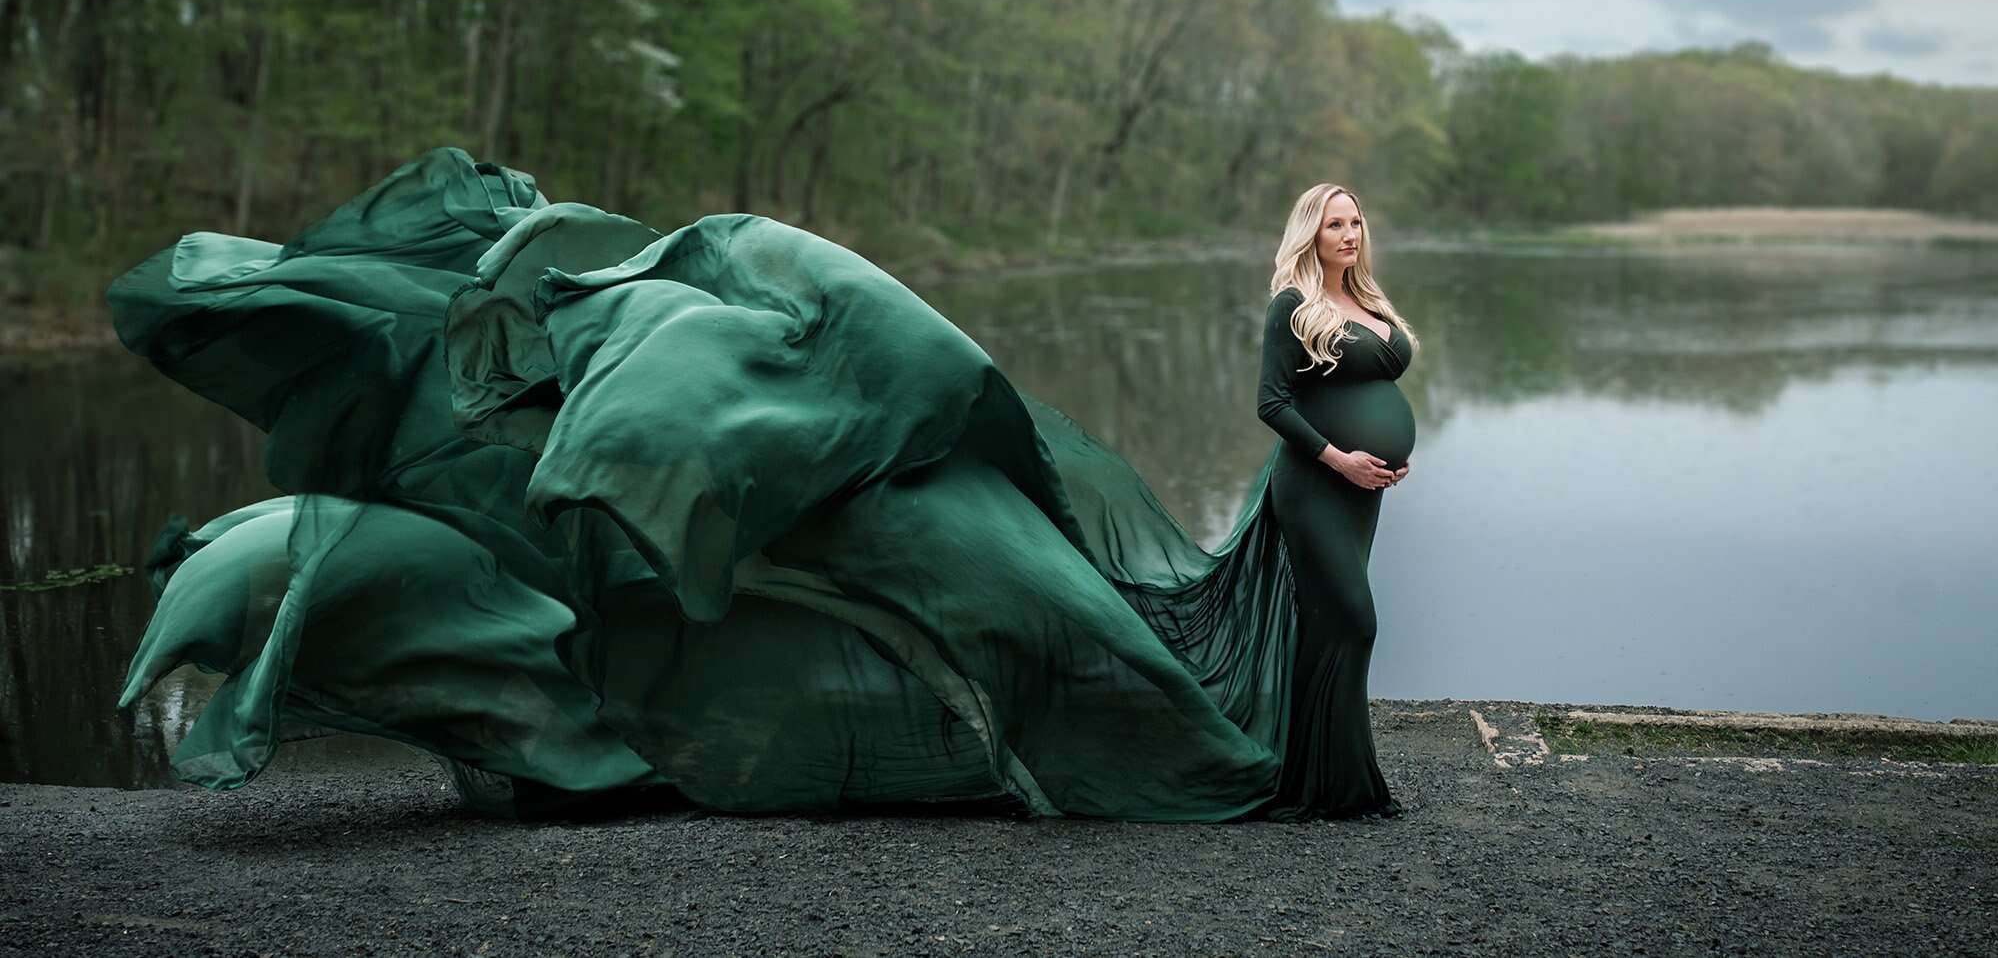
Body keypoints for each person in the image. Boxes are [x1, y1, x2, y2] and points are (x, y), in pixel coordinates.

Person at [109, 148, 1411, 821]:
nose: (1350, 234)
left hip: (876, 442)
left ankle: (1242, 742)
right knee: (1015, 614)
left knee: (1036, 608)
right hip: (841, 446)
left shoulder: (746, 310)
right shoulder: (685, 323)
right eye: (1338, 220)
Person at [1258, 183, 1418, 819]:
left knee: (1331, 627)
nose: (1349, 235)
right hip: (1314, 486)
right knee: (1355, 619)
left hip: (1360, 492)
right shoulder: (1293, 305)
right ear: (1311, 235)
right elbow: (1271, 403)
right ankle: (1322, 784)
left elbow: (1371, 388)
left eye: (1355, 222)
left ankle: (1333, 786)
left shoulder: (1366, 297)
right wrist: (1341, 459)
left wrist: (1383, 459)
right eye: (1334, 226)